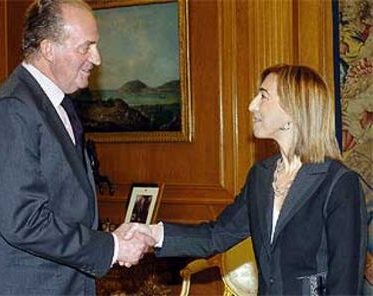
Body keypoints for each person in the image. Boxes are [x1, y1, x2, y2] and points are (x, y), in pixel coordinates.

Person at [0, 0, 153, 295]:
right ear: (48, 49)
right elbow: (24, 221)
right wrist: (111, 247)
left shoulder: (56, 105)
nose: (97, 58)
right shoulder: (12, 109)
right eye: (85, 47)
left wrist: (111, 237)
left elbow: (63, 207)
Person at [126, 64, 368, 295]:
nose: (252, 105)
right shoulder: (261, 176)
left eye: (263, 96)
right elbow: (217, 235)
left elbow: (345, 282)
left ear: (292, 111)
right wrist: (153, 233)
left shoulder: (339, 183)